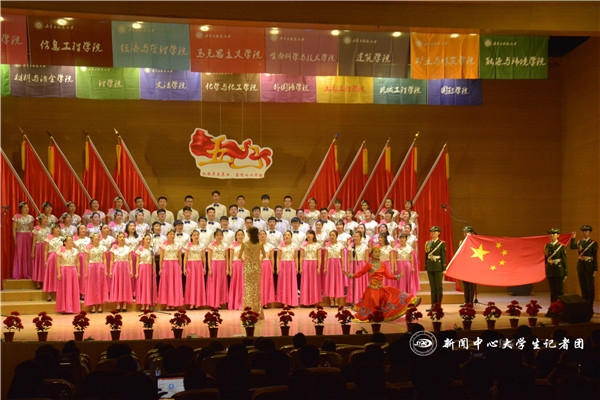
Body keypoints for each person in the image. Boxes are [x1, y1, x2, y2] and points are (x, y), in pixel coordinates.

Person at [344, 247, 420, 321]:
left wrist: (397, 276)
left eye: (379, 252)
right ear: (371, 254)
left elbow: (388, 276)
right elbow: (360, 273)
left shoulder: (382, 264)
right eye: (375, 252)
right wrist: (350, 275)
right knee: (374, 306)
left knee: (394, 293)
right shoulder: (369, 265)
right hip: (372, 290)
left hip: (381, 289)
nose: (378, 254)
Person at [569, 225, 597, 307]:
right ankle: (585, 305)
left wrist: (595, 269)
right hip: (581, 266)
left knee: (590, 287)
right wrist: (573, 238)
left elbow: (595, 257)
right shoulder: (579, 242)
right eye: (583, 231)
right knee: (583, 286)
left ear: (589, 232)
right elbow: (572, 247)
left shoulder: (593, 243)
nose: (584, 233)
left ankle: (590, 305)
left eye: (586, 231)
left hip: (589, 266)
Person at [241, 227, 266, 318]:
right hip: (256, 267)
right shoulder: (260, 244)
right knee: (256, 290)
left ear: (249, 234)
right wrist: (260, 260)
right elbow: (264, 255)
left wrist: (243, 259)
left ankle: (247, 311)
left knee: (248, 290)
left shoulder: (244, 243)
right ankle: (257, 311)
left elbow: (239, 256)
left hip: (248, 267)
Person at [158, 229, 184, 310]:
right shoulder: (163, 245)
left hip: (175, 265)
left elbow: (180, 258)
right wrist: (160, 269)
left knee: (174, 284)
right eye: (170, 234)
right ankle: (168, 303)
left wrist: (180, 268)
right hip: (166, 265)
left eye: (173, 234)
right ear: (167, 235)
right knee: (167, 284)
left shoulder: (178, 245)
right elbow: (161, 258)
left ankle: (174, 303)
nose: (172, 236)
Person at [56, 236, 81, 314]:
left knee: (73, 289)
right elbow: (58, 263)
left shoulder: (76, 251)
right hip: (64, 270)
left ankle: (73, 308)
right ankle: (64, 308)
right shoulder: (60, 251)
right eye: (69, 240)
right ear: (65, 242)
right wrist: (59, 273)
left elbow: (78, 262)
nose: (71, 242)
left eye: (71, 240)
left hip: (73, 270)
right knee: (64, 289)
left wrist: (78, 272)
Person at [110, 232, 134, 312]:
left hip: (125, 268)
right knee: (117, 284)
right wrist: (111, 271)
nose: (122, 239)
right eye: (120, 237)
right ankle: (117, 303)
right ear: (117, 239)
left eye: (123, 237)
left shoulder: (128, 248)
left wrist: (131, 270)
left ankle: (124, 303)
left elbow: (130, 260)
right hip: (117, 268)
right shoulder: (113, 248)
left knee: (125, 284)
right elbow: (111, 260)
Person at [85, 233, 108, 313]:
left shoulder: (103, 247)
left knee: (100, 285)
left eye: (98, 237)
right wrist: (86, 271)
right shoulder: (88, 248)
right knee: (92, 285)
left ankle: (100, 304)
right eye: (95, 237)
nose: (97, 238)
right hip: (91, 267)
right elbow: (86, 260)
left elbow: (104, 259)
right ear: (92, 238)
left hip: (100, 267)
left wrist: (105, 270)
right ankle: (93, 304)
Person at [183, 230, 206, 310]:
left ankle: (198, 302)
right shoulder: (188, 246)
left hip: (199, 265)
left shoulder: (202, 246)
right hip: (191, 265)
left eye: (197, 235)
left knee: (198, 283)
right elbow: (185, 257)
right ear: (191, 237)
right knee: (191, 283)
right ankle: (191, 302)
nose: (196, 236)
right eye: (194, 235)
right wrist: (184, 268)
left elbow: (204, 257)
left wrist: (204, 267)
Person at [425, 226, 446, 311]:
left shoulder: (441, 243)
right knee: (432, 287)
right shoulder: (428, 243)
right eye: (431, 231)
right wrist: (426, 266)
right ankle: (432, 305)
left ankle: (438, 305)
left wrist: (444, 268)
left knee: (438, 287)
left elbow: (443, 256)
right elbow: (427, 256)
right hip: (430, 267)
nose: (432, 233)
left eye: (434, 231)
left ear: (439, 233)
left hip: (438, 267)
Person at [206, 229, 229, 308]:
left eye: (220, 235)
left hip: (222, 265)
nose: (219, 237)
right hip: (214, 265)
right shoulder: (211, 245)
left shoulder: (225, 245)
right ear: (215, 236)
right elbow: (209, 258)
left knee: (221, 283)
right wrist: (209, 268)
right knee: (213, 283)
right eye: (217, 235)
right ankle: (213, 302)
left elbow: (227, 258)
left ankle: (219, 302)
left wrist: (227, 268)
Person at [12, 201, 35, 279]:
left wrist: (33, 240)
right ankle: (19, 273)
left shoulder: (31, 217)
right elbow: (14, 229)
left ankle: (28, 273)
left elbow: (32, 229)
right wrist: (15, 239)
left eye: (27, 207)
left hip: (28, 236)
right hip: (20, 236)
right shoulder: (17, 217)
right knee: (19, 254)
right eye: (24, 207)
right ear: (21, 209)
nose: (26, 209)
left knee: (28, 254)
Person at [323, 230, 346, 307]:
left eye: (333, 235)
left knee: (337, 281)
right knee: (330, 281)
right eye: (331, 235)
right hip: (330, 264)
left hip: (338, 265)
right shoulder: (327, 246)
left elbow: (342, 257)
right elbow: (325, 257)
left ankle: (336, 300)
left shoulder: (340, 246)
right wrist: (325, 267)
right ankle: (331, 301)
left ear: (336, 236)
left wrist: (343, 267)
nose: (332, 237)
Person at [346, 230, 369, 305]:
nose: (355, 238)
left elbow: (367, 260)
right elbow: (348, 259)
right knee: (353, 283)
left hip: (362, 266)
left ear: (360, 238)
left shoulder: (365, 247)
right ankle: (353, 300)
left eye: (357, 236)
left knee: (362, 283)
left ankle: (362, 299)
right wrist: (348, 268)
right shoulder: (350, 247)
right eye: (354, 236)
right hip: (353, 266)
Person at [300, 229, 322, 306]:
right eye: (307, 234)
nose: (308, 235)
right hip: (306, 264)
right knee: (306, 282)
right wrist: (300, 267)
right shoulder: (303, 245)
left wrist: (319, 267)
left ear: (313, 235)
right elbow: (301, 257)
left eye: (310, 234)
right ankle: (306, 301)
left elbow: (319, 257)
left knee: (314, 282)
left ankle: (314, 301)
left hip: (314, 264)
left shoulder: (317, 245)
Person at [545, 228, 567, 303]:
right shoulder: (546, 246)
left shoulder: (561, 246)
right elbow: (546, 259)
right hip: (550, 270)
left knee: (559, 291)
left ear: (558, 235)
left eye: (554, 234)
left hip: (559, 270)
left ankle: (559, 306)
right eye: (550, 234)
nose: (552, 235)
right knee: (552, 291)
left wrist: (565, 272)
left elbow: (564, 260)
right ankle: (553, 306)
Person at [136, 233, 157, 310]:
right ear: (143, 240)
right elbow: (137, 262)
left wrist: (154, 271)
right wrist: (137, 272)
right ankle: (142, 304)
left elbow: (153, 262)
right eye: (147, 239)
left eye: (149, 239)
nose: (148, 241)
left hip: (150, 269)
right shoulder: (139, 250)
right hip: (142, 269)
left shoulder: (152, 250)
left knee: (149, 286)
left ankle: (148, 303)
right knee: (143, 286)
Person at [277, 231, 299, 307]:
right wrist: (277, 268)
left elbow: (296, 257)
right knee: (284, 283)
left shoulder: (294, 246)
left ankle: (292, 301)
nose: (287, 236)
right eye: (285, 235)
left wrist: (297, 267)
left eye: (288, 235)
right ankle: (284, 301)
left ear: (291, 236)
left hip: (291, 265)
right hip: (283, 264)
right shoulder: (280, 246)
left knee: (291, 283)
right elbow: (278, 258)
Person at [42, 224, 64, 301]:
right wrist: (45, 261)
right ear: (52, 230)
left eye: (59, 228)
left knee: (59, 275)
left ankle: (59, 293)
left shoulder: (62, 239)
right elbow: (45, 251)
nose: (58, 229)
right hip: (51, 258)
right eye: (56, 228)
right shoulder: (48, 238)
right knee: (50, 275)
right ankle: (49, 293)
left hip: (60, 258)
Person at [228, 230, 246, 310]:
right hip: (235, 265)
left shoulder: (246, 245)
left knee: (243, 284)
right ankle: (235, 303)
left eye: (241, 234)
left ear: (244, 236)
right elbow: (230, 258)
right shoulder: (233, 245)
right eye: (238, 235)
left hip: (244, 265)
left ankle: (243, 303)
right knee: (235, 283)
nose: (240, 236)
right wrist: (230, 269)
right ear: (236, 236)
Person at [460, 226, 478, 306]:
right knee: (465, 285)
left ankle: (470, 302)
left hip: (472, 266)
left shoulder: (475, 242)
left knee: (471, 286)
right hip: (464, 266)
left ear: (471, 233)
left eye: (467, 232)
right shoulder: (461, 242)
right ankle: (466, 301)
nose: (465, 234)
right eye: (464, 232)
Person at [31, 214, 50, 289]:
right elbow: (34, 241)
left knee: (45, 264)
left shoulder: (49, 230)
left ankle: (45, 281)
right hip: (39, 248)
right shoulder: (36, 229)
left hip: (47, 248)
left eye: (46, 219)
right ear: (40, 220)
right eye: (44, 218)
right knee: (38, 264)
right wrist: (33, 252)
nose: (46, 220)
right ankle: (38, 282)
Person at [259, 230, 276, 306]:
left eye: (264, 234)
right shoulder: (256, 245)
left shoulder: (270, 246)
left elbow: (272, 257)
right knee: (259, 283)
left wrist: (273, 267)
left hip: (267, 265)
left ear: (266, 236)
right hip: (258, 265)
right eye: (260, 234)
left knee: (266, 283)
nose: (262, 235)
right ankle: (259, 302)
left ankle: (265, 302)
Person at [73, 225, 91, 298]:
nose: (83, 230)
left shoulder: (89, 239)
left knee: (85, 274)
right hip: (77, 258)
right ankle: (76, 292)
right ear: (78, 230)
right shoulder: (74, 239)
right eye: (81, 229)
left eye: (84, 229)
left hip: (86, 258)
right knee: (78, 274)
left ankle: (84, 292)